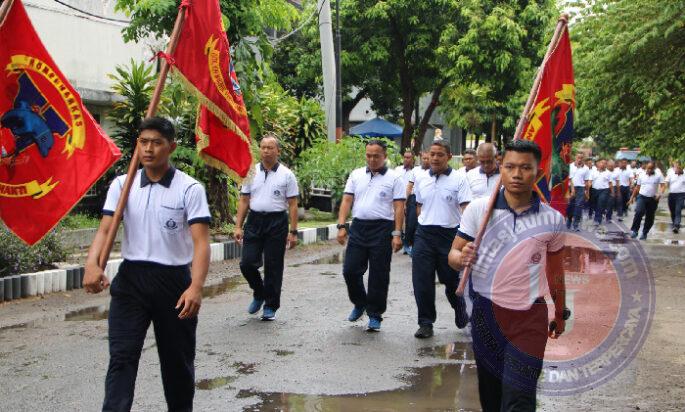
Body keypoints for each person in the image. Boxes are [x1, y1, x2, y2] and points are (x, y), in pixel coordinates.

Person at [84, 117, 211, 411]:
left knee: (176, 363)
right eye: (143, 142)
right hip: (131, 281)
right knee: (121, 358)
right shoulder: (122, 185)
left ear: (172, 147)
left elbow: (201, 242)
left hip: (174, 284)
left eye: (156, 143)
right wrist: (92, 264)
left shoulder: (189, 189)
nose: (149, 149)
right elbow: (105, 230)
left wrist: (196, 286)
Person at [448, 139, 566, 412]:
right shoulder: (479, 210)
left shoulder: (552, 220)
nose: (517, 174)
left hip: (530, 316)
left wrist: (560, 312)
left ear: (538, 172)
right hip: (487, 311)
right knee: (491, 394)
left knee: (519, 395)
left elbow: (556, 271)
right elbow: (453, 257)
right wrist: (462, 257)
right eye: (510, 167)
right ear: (501, 168)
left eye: (525, 168)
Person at [337, 139, 405, 331]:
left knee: (379, 274)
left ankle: (375, 314)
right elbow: (347, 200)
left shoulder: (394, 178)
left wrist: (397, 234)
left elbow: (399, 207)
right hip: (358, 227)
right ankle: (360, 302)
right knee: (350, 270)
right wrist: (342, 225)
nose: (372, 159)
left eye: (376, 156)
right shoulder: (356, 174)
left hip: (382, 229)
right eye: (369, 155)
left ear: (385, 156)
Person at [234, 135, 299, 321]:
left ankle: (270, 305)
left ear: (278, 151)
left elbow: (293, 204)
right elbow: (244, 200)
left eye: (270, 148)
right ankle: (259, 292)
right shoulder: (251, 172)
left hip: (277, 222)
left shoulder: (287, 175)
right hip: (254, 221)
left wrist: (293, 231)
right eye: (263, 147)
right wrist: (238, 226)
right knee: (247, 263)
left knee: (273, 266)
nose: (266, 151)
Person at [412, 140, 472, 339]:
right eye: (432, 154)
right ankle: (425, 322)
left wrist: (467, 238)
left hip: (450, 236)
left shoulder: (459, 179)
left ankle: (460, 309)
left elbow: (466, 210)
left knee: (450, 280)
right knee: (422, 280)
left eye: (440, 155)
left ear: (448, 156)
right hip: (424, 235)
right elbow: (419, 205)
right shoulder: (421, 178)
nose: (435, 158)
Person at [629, 161, 666, 240]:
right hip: (642, 197)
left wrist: (659, 194)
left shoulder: (658, 175)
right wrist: (632, 197)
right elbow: (637, 187)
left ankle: (645, 232)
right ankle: (635, 230)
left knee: (650, 217)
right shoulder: (641, 175)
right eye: (648, 168)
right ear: (646, 168)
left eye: (651, 168)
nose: (649, 170)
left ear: (654, 169)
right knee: (639, 212)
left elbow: (663, 186)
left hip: (653, 199)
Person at [404, 151, 431, 255]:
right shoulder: (415, 170)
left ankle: (419, 246)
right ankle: (407, 244)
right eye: (424, 158)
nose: (426, 160)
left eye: (428, 158)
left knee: (421, 223)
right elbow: (409, 186)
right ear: (421, 159)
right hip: (414, 199)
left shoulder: (434, 171)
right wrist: (405, 202)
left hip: (427, 200)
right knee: (411, 223)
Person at [395, 150, 415, 255]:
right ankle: (398, 241)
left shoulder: (415, 171)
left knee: (409, 223)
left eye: (409, 157)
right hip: (397, 198)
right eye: (405, 157)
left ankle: (407, 244)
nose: (406, 159)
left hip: (410, 199)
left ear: (413, 159)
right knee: (397, 221)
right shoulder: (397, 170)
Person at [566, 153, 590, 231]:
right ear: (575, 157)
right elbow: (569, 179)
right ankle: (569, 220)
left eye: (581, 158)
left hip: (581, 188)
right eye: (578, 157)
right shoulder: (570, 166)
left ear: (583, 159)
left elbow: (586, 182)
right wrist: (572, 190)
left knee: (579, 206)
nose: (579, 159)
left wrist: (587, 193)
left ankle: (576, 224)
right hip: (571, 187)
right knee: (570, 205)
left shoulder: (586, 168)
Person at [589, 159, 614, 225]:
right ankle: (598, 215)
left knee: (600, 203)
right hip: (594, 190)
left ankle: (597, 219)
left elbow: (610, 183)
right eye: (602, 163)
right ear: (598, 164)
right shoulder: (593, 172)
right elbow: (590, 182)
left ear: (606, 165)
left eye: (605, 163)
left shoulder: (608, 173)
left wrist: (612, 192)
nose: (603, 164)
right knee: (595, 204)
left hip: (604, 190)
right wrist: (587, 190)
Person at [666, 161, 684, 234]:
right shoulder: (670, 173)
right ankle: (675, 224)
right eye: (674, 167)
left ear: (681, 167)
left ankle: (676, 225)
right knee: (672, 211)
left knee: (678, 210)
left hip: (681, 195)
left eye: (677, 167)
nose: (675, 169)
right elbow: (666, 182)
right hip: (671, 195)